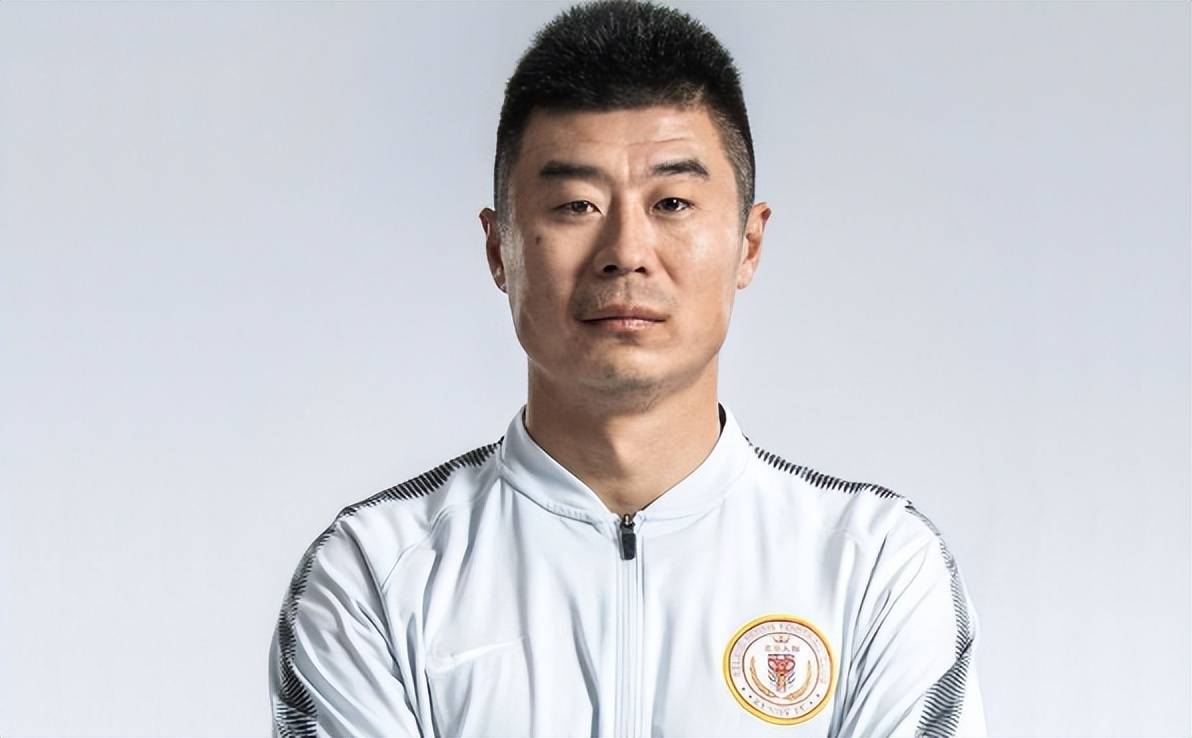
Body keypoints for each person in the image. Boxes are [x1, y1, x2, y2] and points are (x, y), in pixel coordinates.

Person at [267, 1, 987, 735]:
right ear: (498, 248)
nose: (626, 252)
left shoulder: (873, 567)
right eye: (575, 205)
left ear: (749, 244)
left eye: (672, 202)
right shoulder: (373, 574)